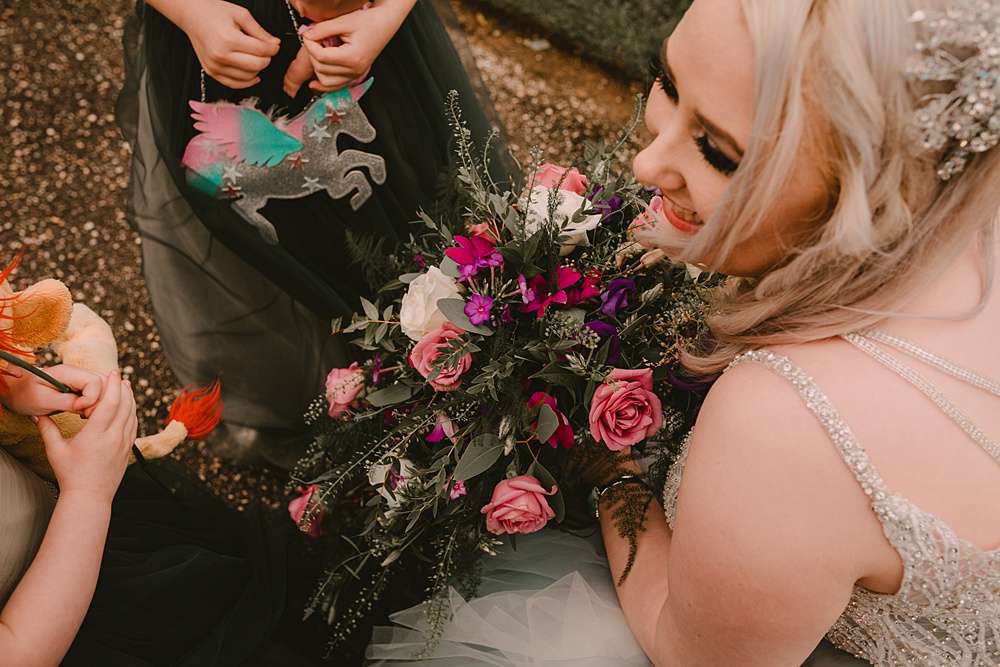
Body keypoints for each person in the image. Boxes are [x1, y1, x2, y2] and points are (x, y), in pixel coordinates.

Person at [366, 0, 1000, 664]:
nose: (647, 164)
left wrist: (612, 472)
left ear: (866, 192)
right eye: (667, 81)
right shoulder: (959, 210)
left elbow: (688, 652)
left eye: (717, 151)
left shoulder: (791, 422)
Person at [117, 0, 514, 467]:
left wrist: (384, 15)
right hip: (218, 36)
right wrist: (191, 12)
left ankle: (432, 371)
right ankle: (284, 388)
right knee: (253, 246)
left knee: (404, 218)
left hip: (360, 28)